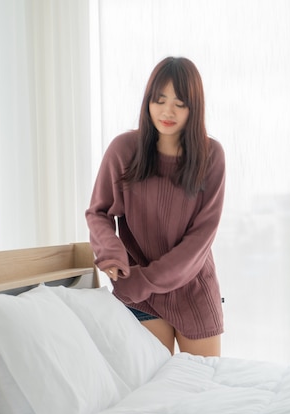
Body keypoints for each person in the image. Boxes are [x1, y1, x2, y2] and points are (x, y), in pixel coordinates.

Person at [85, 56, 225, 356]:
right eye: (159, 100)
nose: (167, 111)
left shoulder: (211, 155)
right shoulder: (124, 150)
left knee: (204, 392)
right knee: (155, 391)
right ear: (148, 102)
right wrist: (111, 253)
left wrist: (144, 280)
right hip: (141, 294)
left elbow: (201, 238)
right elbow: (98, 212)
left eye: (180, 103)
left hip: (193, 288)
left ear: (194, 107)